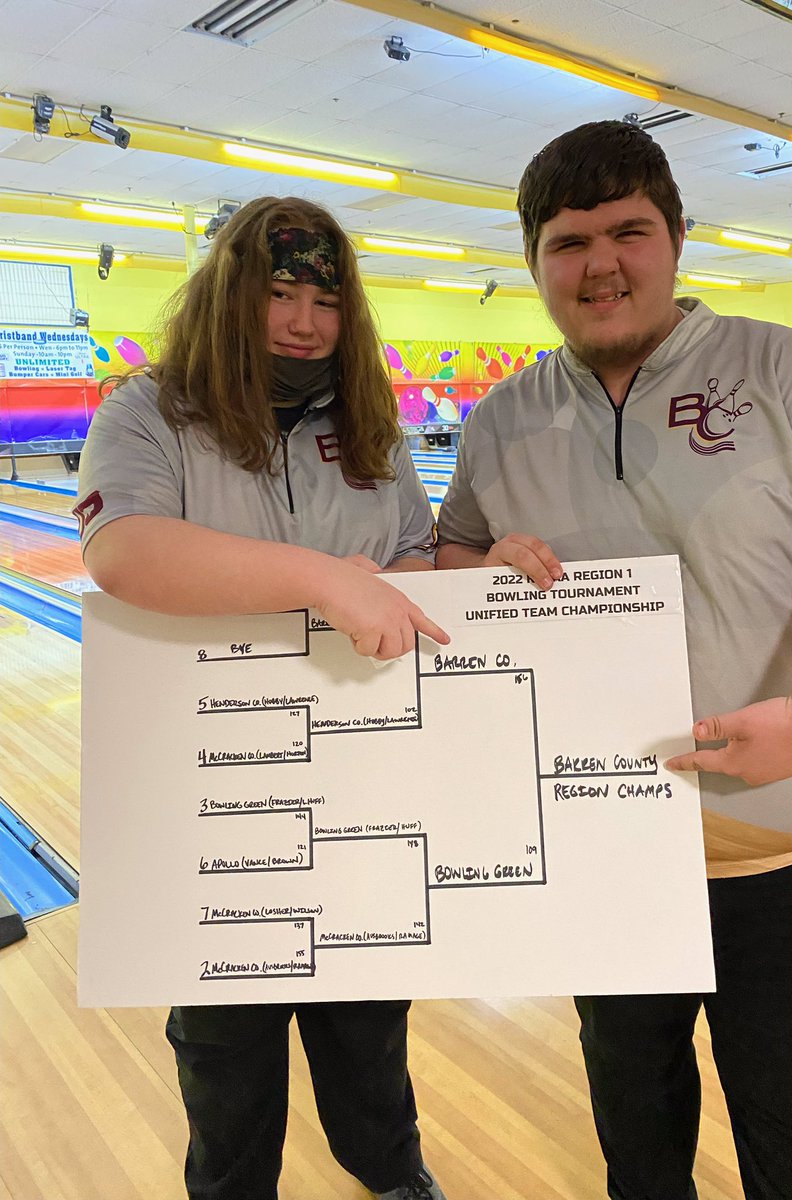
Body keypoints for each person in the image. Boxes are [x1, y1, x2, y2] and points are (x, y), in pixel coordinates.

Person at [436, 120, 792, 1200]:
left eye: (629, 231)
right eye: (568, 240)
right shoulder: (503, 420)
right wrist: (483, 562)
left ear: (677, 238)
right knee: (637, 1142)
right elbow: (452, 550)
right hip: (610, 858)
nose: (601, 263)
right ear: (534, 261)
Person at [75, 195, 450, 1200]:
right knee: (227, 1062)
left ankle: (395, 1175)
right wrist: (321, 576)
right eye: (278, 292)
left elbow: (410, 551)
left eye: (325, 299)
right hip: (212, 796)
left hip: (359, 786)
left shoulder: (369, 418)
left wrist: (465, 574)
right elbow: (125, 553)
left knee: (370, 1031)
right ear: (230, 292)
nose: (301, 321)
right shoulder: (150, 409)